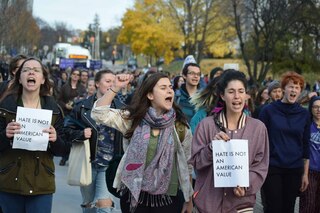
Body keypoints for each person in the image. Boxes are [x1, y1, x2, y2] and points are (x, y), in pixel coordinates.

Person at [91, 72, 193, 213]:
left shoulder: (181, 127)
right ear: (150, 95)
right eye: (163, 88)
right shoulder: (133, 119)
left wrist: (189, 200)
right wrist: (115, 87)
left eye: (170, 87)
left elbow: (187, 165)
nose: (170, 90)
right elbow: (98, 113)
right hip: (134, 197)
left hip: (169, 200)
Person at [190, 70, 269, 213]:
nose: (237, 96)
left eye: (241, 91)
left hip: (241, 205)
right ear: (222, 95)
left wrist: (246, 185)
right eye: (231, 91)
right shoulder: (206, 125)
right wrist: (211, 148)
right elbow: (196, 163)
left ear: (246, 95)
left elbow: (260, 165)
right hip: (209, 204)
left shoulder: (258, 128)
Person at [0, 57, 68, 213]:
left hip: (41, 184)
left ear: (43, 79)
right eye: (25, 70)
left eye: (36, 70)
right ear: (20, 79)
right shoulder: (4, 107)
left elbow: (63, 151)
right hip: (9, 182)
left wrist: (55, 139)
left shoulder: (54, 110)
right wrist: (5, 135)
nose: (31, 72)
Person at [65, 70, 125, 212]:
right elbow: (66, 129)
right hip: (88, 163)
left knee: (103, 203)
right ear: (97, 84)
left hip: (110, 165)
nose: (111, 84)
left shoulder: (121, 108)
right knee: (88, 203)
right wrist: (81, 133)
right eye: (108, 81)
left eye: (113, 81)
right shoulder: (82, 106)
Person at [259, 71, 310, 213]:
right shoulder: (268, 111)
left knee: (288, 208)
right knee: (273, 208)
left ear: (300, 91)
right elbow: (260, 140)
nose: (294, 90)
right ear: (283, 89)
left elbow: (306, 145)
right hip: (272, 167)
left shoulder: (304, 114)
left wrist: (305, 174)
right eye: (291, 86)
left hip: (294, 168)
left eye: (297, 87)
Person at [58, 68, 86, 166]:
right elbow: (59, 99)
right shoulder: (65, 87)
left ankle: (73, 158)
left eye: (77, 75)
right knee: (66, 136)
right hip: (67, 114)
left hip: (77, 115)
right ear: (71, 75)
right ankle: (64, 157)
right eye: (74, 74)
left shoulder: (82, 88)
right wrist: (65, 105)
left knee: (75, 136)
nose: (75, 76)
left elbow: (84, 100)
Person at [299, 95, 320, 213]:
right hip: (310, 171)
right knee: (308, 205)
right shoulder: (306, 125)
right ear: (311, 109)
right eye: (315, 107)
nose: (319, 110)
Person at [175, 55, 201, 122]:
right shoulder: (176, 97)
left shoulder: (203, 97)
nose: (195, 76)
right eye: (192, 73)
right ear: (184, 75)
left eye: (198, 74)